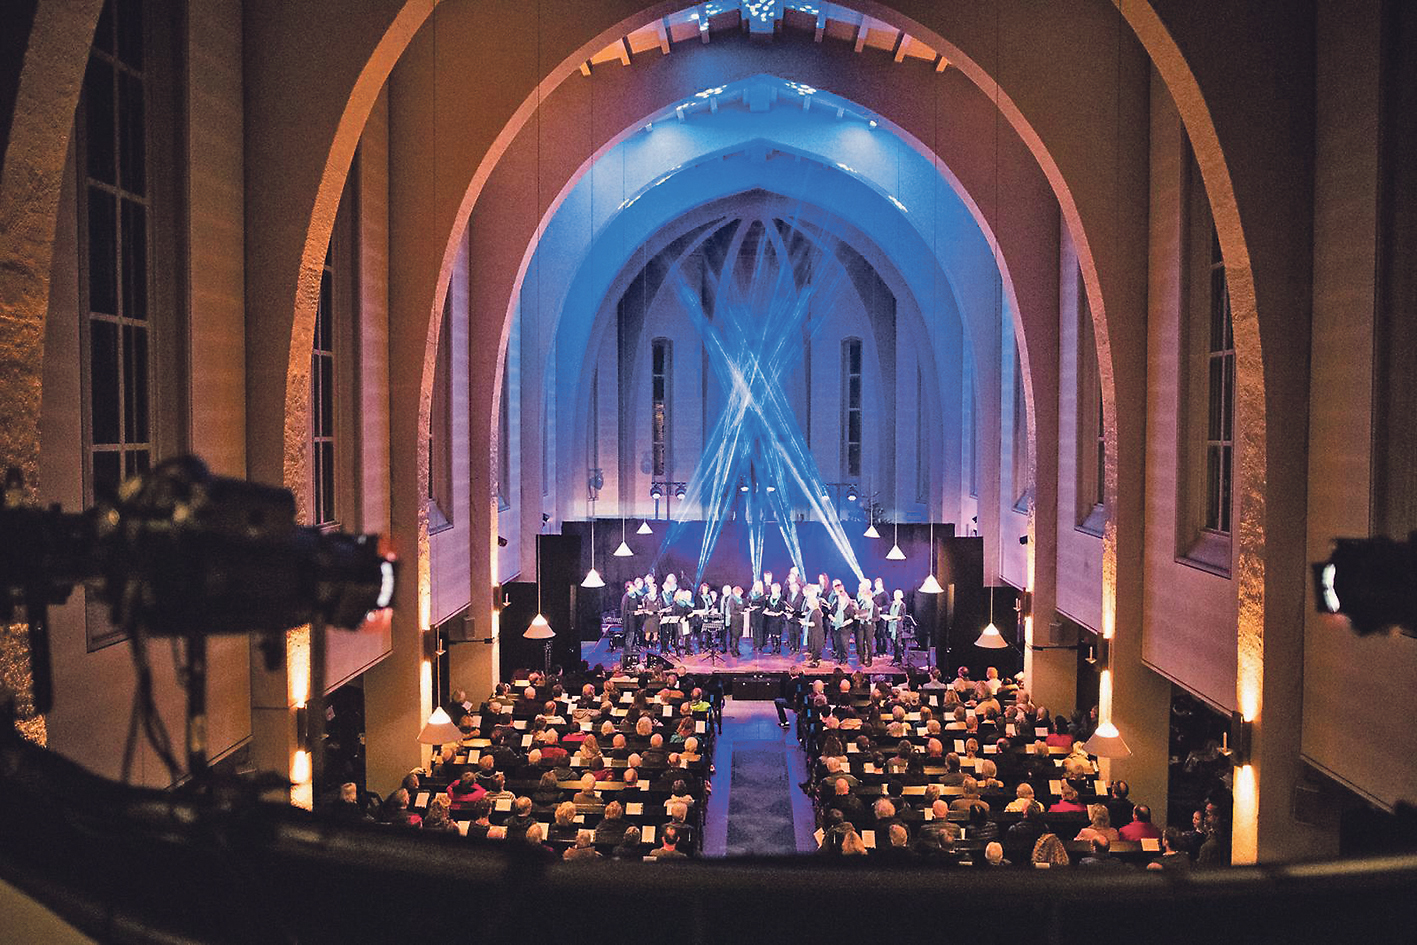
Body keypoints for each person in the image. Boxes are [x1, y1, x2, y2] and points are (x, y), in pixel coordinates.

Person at [853, 580, 877, 667]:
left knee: (869, 643)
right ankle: (861, 659)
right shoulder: (863, 603)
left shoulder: (874, 606)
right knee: (860, 642)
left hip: (869, 626)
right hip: (861, 625)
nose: (865, 599)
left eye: (866, 597)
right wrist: (857, 615)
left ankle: (869, 660)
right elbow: (861, 613)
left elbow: (877, 617)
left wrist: (870, 619)